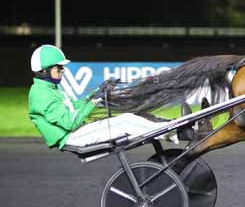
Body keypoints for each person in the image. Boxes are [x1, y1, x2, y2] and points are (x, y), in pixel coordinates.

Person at [27, 45, 198, 149]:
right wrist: (95, 101)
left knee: (137, 115)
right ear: (44, 70)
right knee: (126, 121)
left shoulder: (53, 89)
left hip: (78, 130)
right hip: (71, 137)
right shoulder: (41, 94)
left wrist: (98, 92)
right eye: (59, 68)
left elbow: (76, 107)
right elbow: (69, 122)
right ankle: (178, 133)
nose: (63, 70)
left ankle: (180, 126)